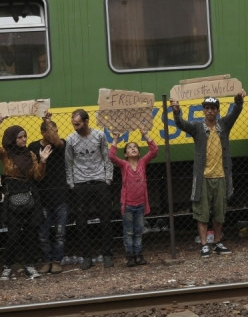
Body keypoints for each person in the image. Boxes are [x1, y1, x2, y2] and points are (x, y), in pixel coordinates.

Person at [169, 91, 246, 257]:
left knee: (220, 212)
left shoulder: (224, 125)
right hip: (203, 177)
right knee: (202, 213)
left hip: (221, 176)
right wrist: (176, 111)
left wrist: (238, 101)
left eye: (213, 108)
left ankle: (218, 242)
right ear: (203, 111)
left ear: (217, 111)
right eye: (207, 108)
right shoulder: (197, 128)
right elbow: (182, 124)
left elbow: (235, 112)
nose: (210, 111)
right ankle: (204, 245)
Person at [0, 117, 51, 280]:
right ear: (12, 139)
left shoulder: (30, 154)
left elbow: (37, 176)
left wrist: (43, 161)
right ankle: (8, 266)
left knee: (31, 233)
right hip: (12, 197)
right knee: (14, 235)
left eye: (25, 136)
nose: (24, 139)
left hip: (30, 195)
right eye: (19, 137)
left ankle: (30, 266)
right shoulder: (6, 154)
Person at [64, 109, 115, 268]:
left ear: (86, 121)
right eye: (74, 124)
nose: (75, 127)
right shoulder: (71, 139)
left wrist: (108, 178)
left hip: (99, 181)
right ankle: (86, 257)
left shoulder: (99, 135)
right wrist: (71, 182)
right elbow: (68, 162)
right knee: (81, 221)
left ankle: (107, 254)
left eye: (78, 124)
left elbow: (107, 157)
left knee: (106, 219)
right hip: (80, 183)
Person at [109, 131, 158, 266]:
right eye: (129, 148)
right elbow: (112, 156)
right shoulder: (124, 165)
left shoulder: (142, 163)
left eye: (135, 147)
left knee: (138, 232)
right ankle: (130, 256)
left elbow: (154, 150)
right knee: (128, 232)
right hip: (128, 205)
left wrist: (145, 134)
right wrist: (115, 139)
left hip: (140, 204)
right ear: (125, 154)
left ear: (139, 152)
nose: (133, 148)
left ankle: (139, 255)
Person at [28, 113, 69, 274]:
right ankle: (46, 260)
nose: (55, 133)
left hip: (60, 197)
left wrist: (48, 122)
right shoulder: (33, 147)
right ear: (43, 133)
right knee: (43, 234)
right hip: (42, 198)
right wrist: (47, 123)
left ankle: (57, 260)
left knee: (60, 233)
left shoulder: (60, 145)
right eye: (52, 130)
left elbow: (56, 139)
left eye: (56, 130)